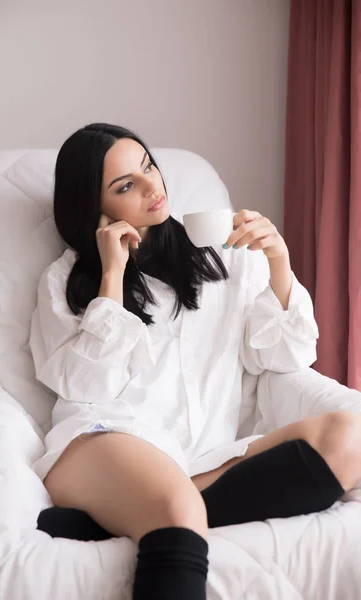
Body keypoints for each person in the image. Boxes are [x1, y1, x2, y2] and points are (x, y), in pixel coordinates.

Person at [30, 123, 361, 599]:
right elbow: (86, 387)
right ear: (94, 207)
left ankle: (112, 520)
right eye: (126, 186)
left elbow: (287, 356)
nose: (153, 187)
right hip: (102, 440)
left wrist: (279, 262)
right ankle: (149, 509)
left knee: (349, 438)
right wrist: (112, 275)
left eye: (148, 167)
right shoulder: (65, 279)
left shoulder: (221, 253)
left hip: (199, 461)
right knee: (176, 505)